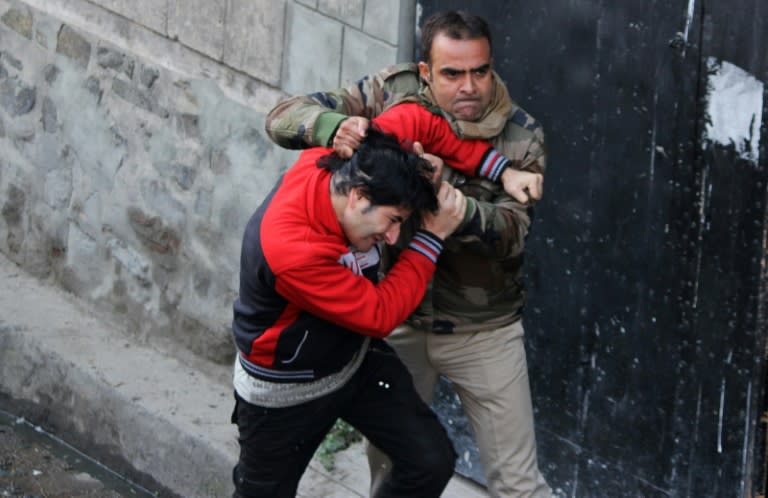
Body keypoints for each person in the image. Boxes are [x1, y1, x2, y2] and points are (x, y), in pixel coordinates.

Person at [264, 9, 552, 498]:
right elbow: (283, 118)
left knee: (520, 484)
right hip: (399, 323)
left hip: (482, 329)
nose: (470, 87)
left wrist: (457, 211)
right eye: (452, 73)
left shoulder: (522, 134)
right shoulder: (388, 96)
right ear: (425, 73)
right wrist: (333, 127)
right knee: (397, 470)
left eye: (480, 71)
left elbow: (512, 232)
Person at [230, 114, 524, 498]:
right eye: (393, 220)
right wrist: (431, 236)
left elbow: (420, 120)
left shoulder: (361, 156)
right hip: (286, 389)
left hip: (353, 361)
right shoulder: (291, 248)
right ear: (358, 197)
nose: (393, 236)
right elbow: (379, 313)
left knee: (429, 461)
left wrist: (498, 168)